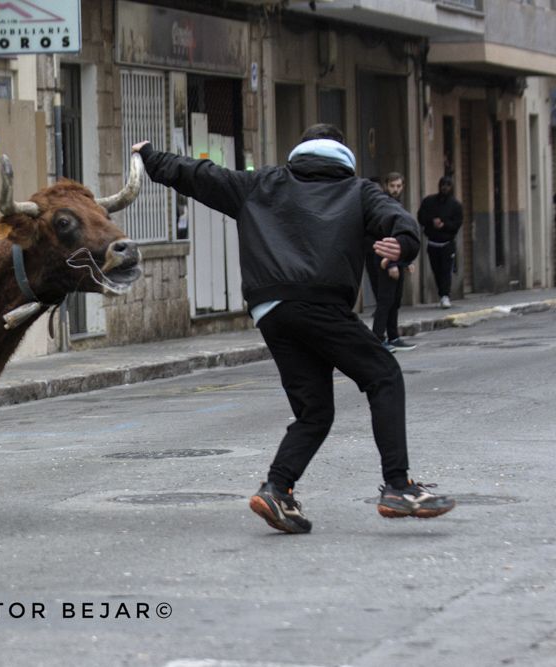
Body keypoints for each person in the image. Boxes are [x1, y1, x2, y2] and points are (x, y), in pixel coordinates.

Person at [133, 124, 455, 534]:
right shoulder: (359, 191)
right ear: (344, 154)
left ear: (300, 152)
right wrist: (404, 245)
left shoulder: (262, 183)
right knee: (384, 375)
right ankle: (398, 487)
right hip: (320, 302)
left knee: (315, 411)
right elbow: (399, 220)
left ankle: (277, 489)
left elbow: (203, 176)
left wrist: (152, 156)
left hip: (272, 311)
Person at [367, 172, 416, 352]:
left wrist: (406, 259)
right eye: (392, 186)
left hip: (397, 258)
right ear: (386, 186)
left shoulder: (396, 204)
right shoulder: (384, 205)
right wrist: (392, 264)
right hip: (383, 259)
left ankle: (393, 336)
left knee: (395, 300)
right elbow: (384, 236)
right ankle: (378, 339)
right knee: (385, 300)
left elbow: (401, 235)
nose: (395, 190)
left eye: (399, 186)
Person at [417, 176, 463, 308]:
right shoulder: (429, 202)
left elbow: (457, 223)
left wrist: (444, 225)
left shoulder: (455, 205)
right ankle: (441, 293)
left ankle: (445, 295)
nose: (445, 187)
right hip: (432, 243)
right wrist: (432, 222)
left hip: (447, 243)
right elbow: (421, 217)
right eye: (443, 184)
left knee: (446, 270)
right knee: (436, 270)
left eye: (448, 185)